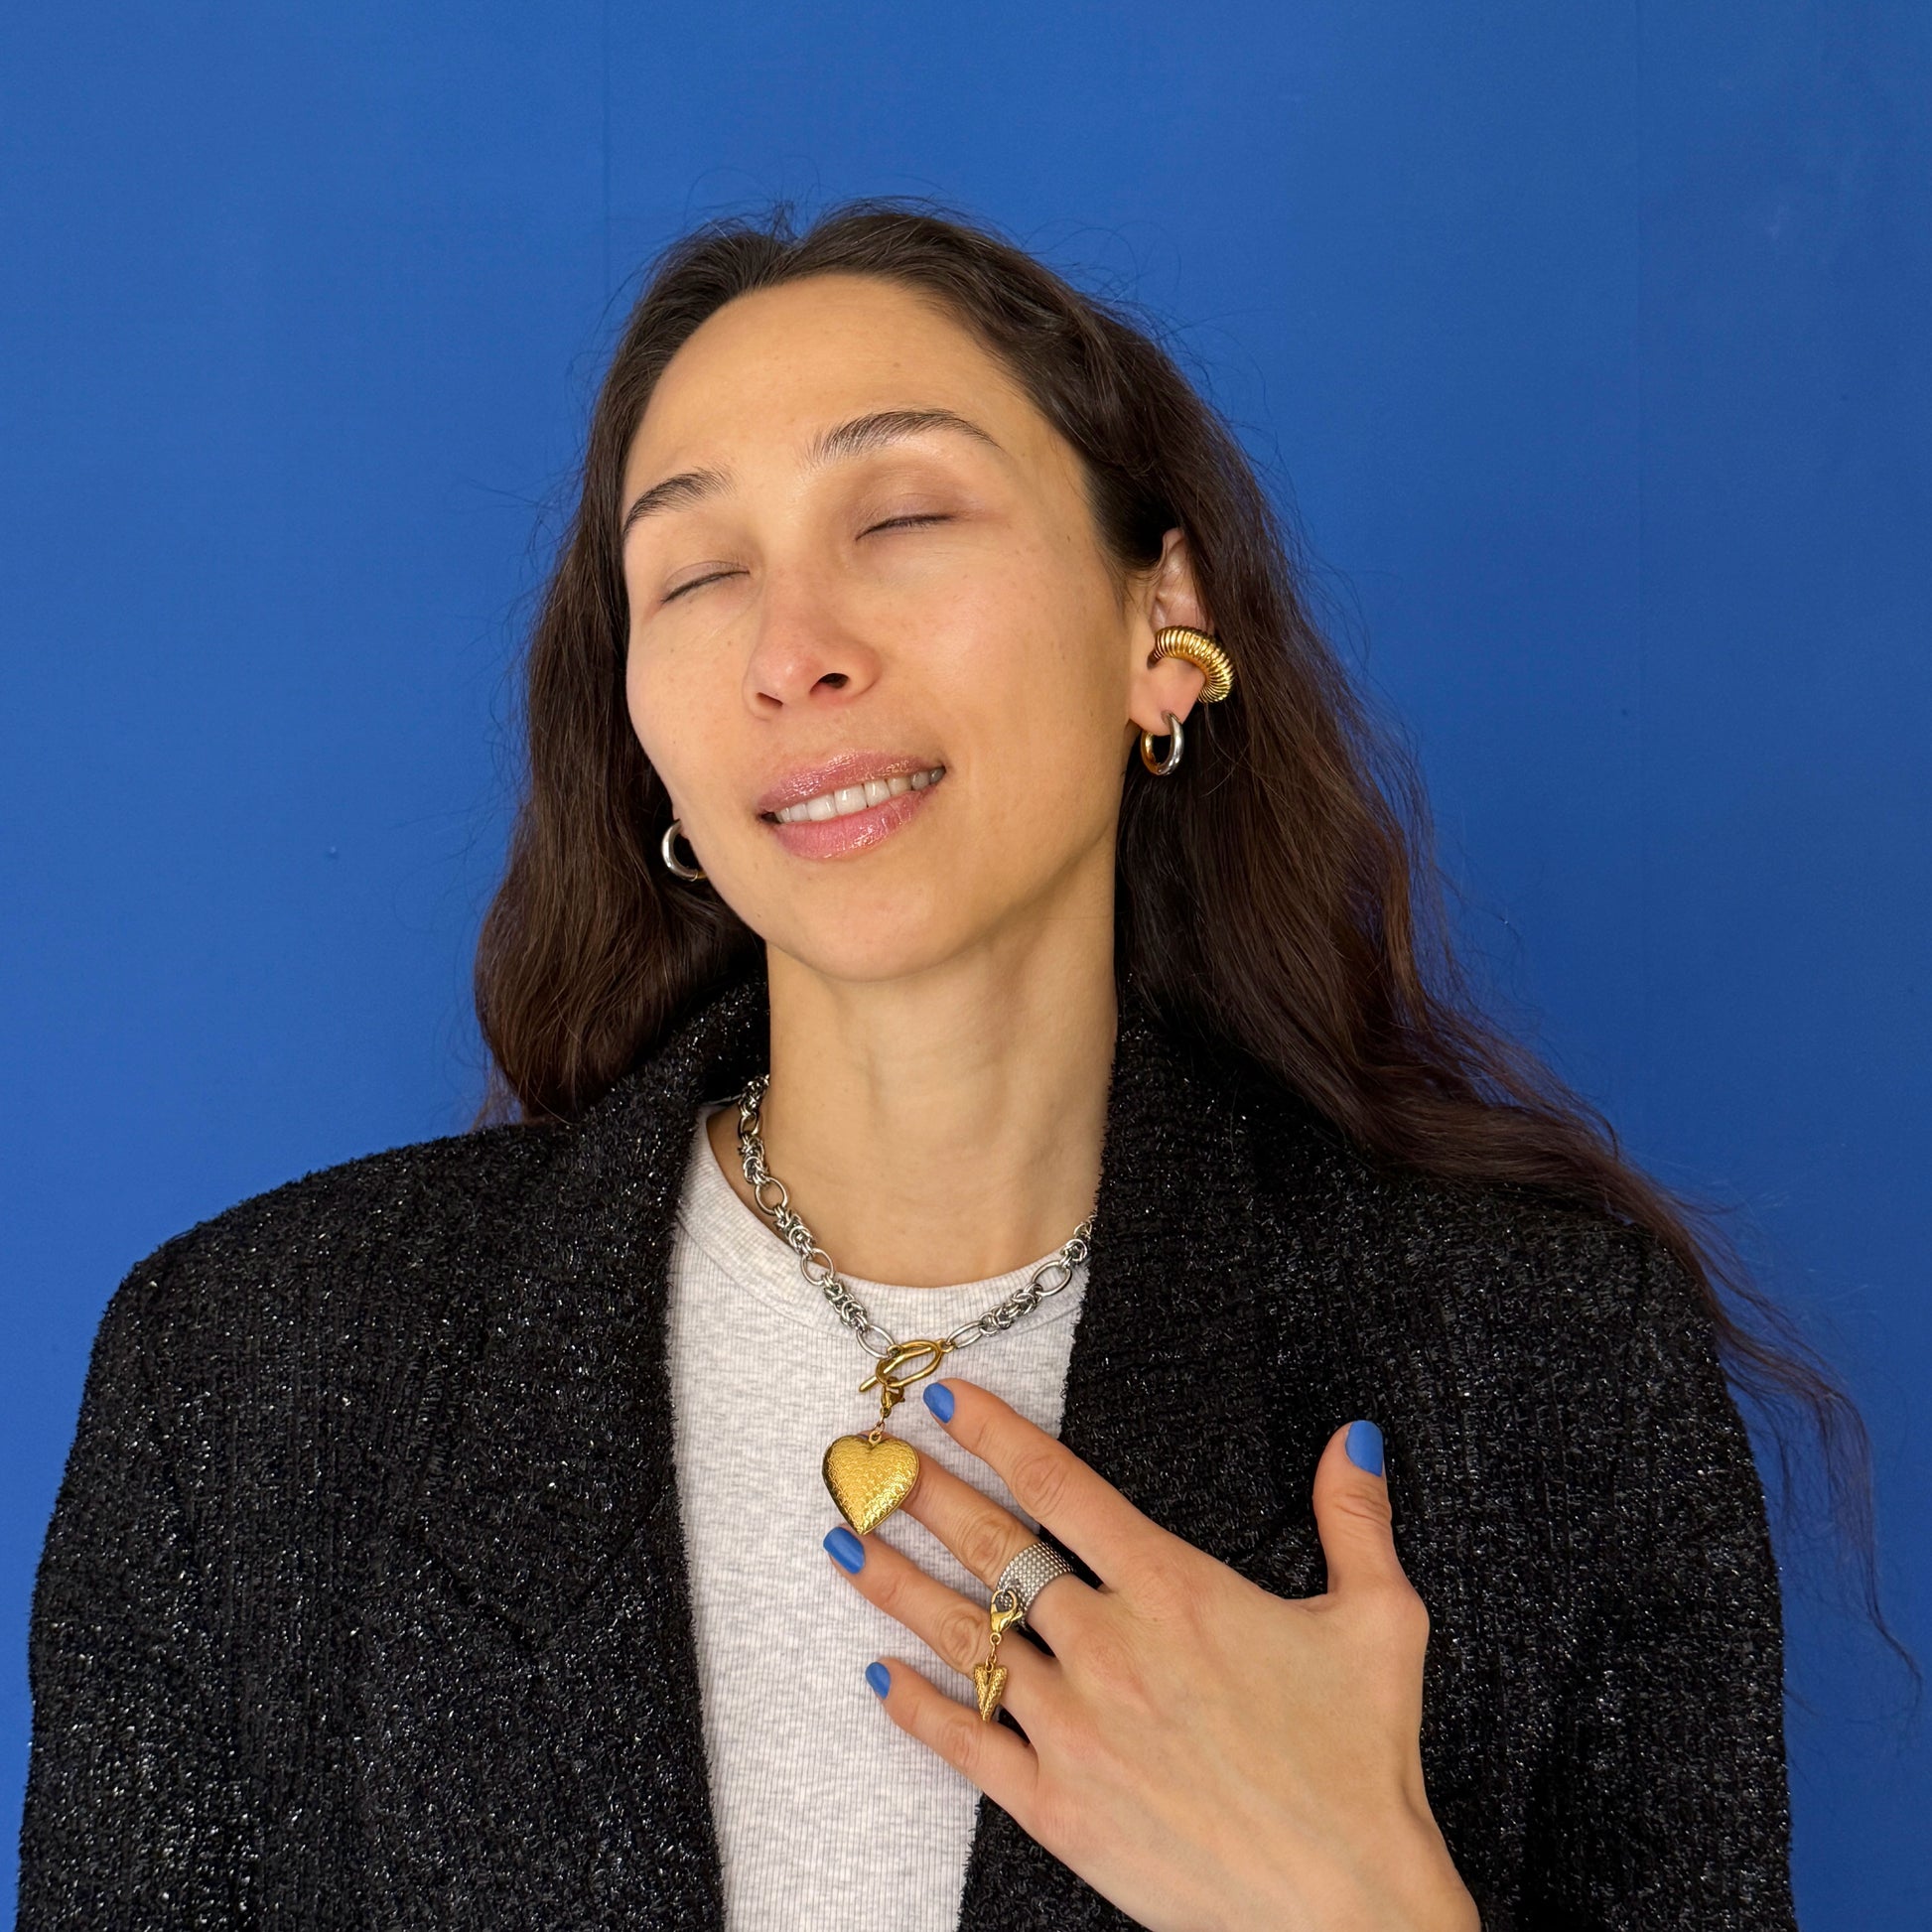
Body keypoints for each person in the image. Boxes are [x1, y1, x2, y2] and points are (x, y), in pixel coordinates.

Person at [24, 197, 1866, 1930]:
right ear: (647, 737)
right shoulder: (246, 1380)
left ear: (1161, 625)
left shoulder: (1553, 1366)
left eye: (900, 517)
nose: (792, 650)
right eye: (695, 572)